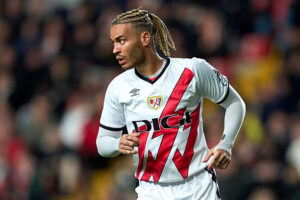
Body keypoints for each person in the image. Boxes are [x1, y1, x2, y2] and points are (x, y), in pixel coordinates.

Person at [96, 8, 246, 200]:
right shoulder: (118, 87)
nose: (115, 49)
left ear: (144, 38)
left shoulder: (192, 70)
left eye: (122, 41)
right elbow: (103, 143)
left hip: (198, 188)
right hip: (152, 191)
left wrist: (226, 144)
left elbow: (235, 103)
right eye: (114, 42)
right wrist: (117, 143)